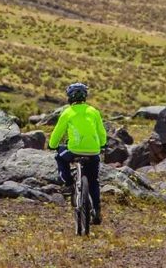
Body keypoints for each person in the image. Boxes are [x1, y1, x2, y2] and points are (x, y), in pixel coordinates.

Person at [48, 82, 107, 225]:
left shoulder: (67, 113)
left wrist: (52, 145)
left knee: (60, 157)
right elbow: (101, 133)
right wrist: (102, 144)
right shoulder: (94, 111)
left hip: (73, 150)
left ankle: (68, 183)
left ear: (69, 97)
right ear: (85, 96)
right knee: (93, 181)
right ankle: (97, 211)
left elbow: (57, 133)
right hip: (93, 151)